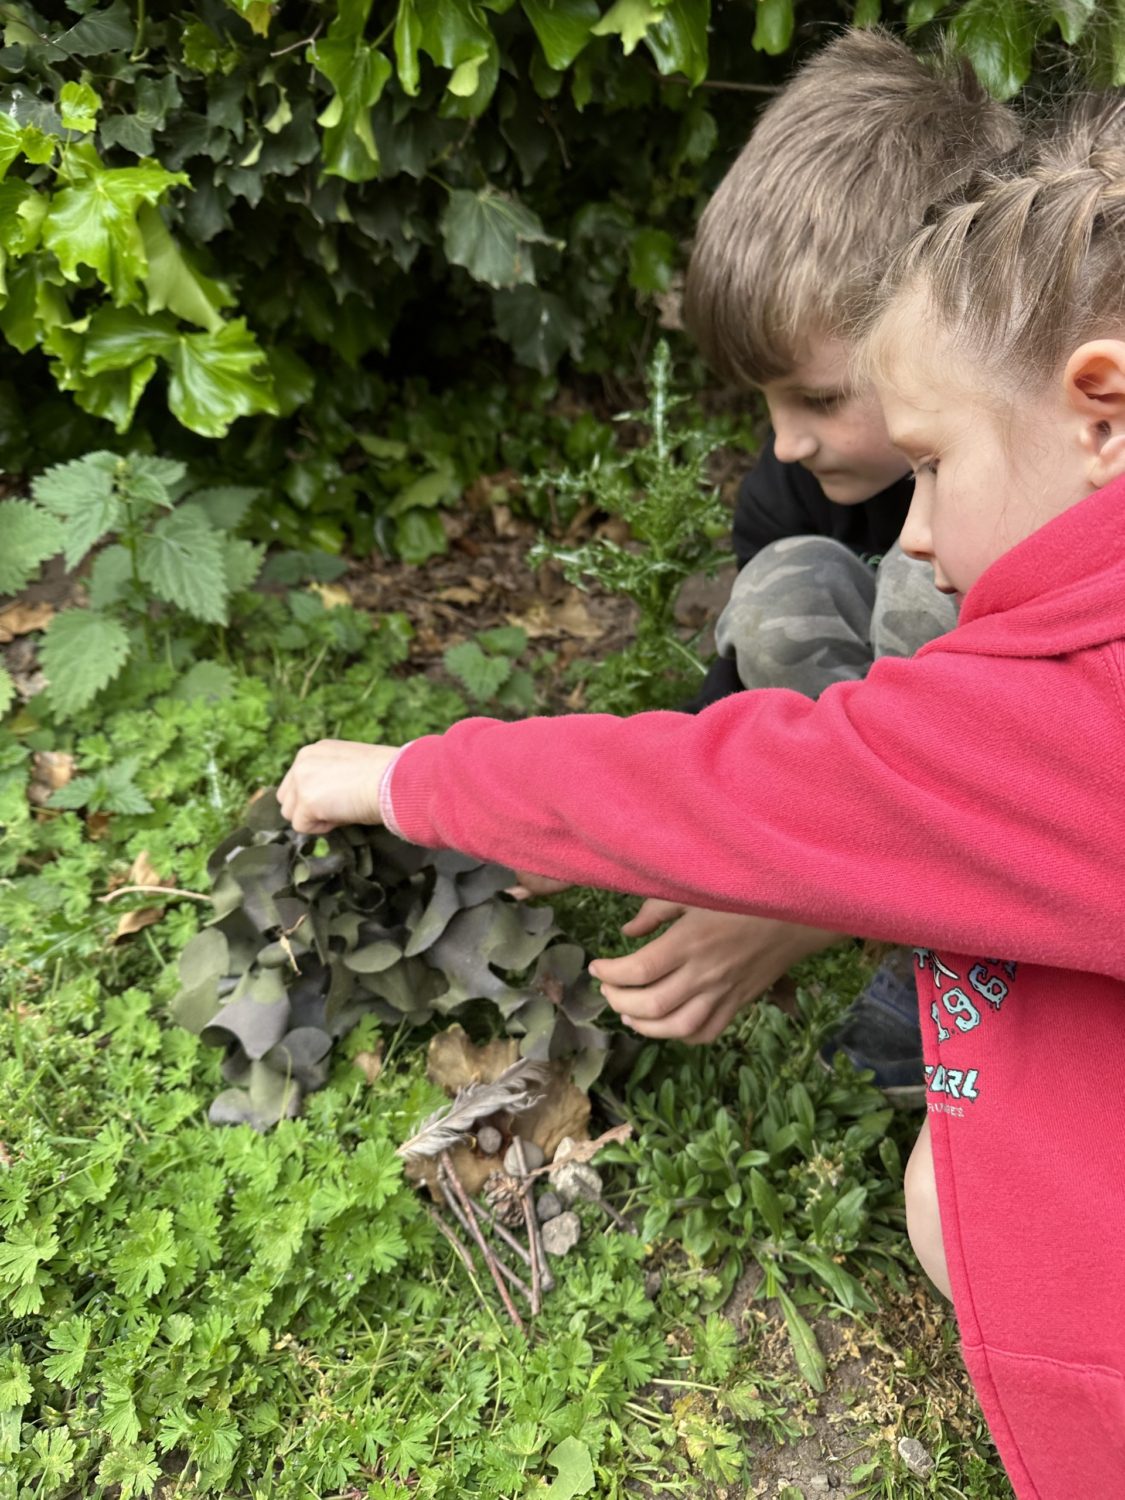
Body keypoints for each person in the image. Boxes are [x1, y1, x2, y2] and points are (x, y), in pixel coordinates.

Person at [279, 108, 1125, 1493]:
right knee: (942, 1188)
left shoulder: (1064, 719)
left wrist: (405, 778)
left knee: (975, 1207)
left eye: (933, 463)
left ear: (1099, 415)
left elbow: (714, 787)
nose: (911, 525)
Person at [572, 27, 1021, 1096]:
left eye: (817, 399)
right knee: (774, 597)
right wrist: (661, 825)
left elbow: (1047, 777)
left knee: (925, 587)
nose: (784, 443)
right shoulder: (799, 485)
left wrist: (800, 904)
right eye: (764, 403)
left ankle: (960, 963)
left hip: (1031, 810)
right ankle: (873, 861)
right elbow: (727, 711)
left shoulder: (1040, 504)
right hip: (913, 776)